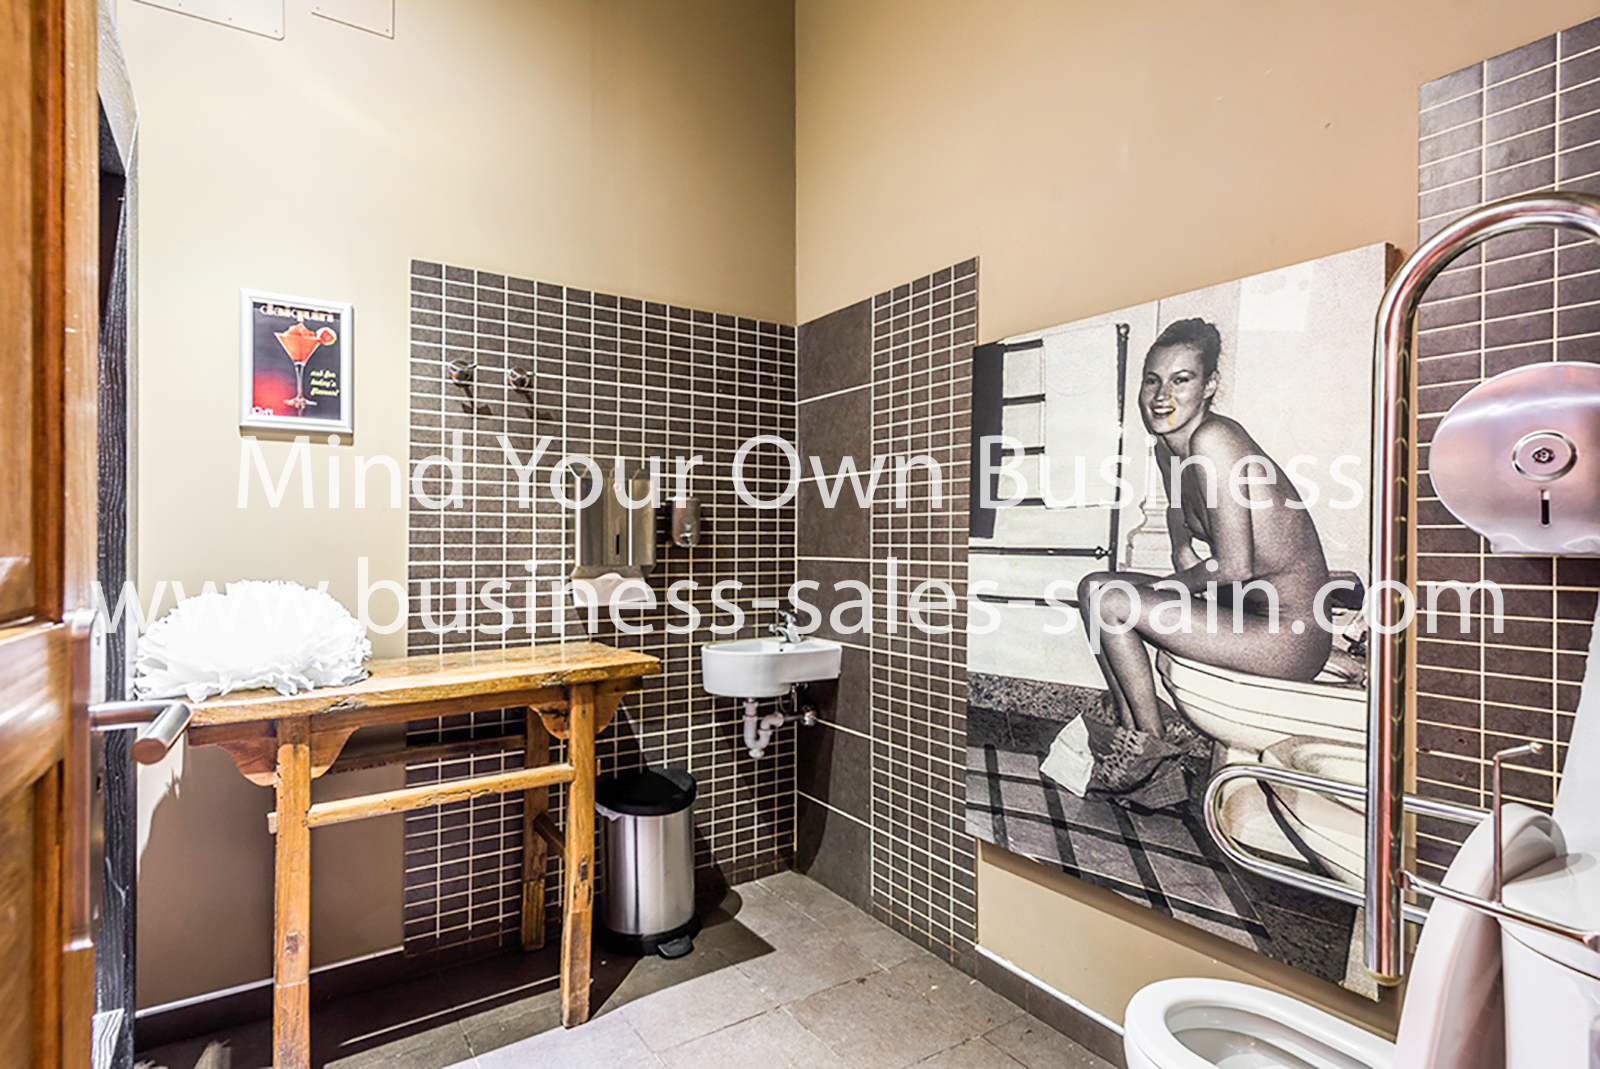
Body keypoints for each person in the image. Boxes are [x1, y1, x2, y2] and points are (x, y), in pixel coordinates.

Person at [1076, 318, 1334, 741]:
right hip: (1243, 616)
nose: (1161, 396)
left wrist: (1160, 592)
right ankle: (1131, 727)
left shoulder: (1214, 439)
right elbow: (1182, 542)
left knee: (1112, 602)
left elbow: (1234, 568)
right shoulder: (1169, 448)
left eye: (1181, 380)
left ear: (1209, 385)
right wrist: (1173, 574)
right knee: (1093, 587)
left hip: (1288, 636)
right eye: (1152, 381)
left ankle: (1151, 750)